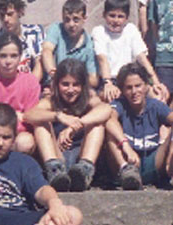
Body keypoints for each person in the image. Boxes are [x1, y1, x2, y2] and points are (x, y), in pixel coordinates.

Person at [25, 59, 110, 192]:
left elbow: (105, 109)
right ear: (57, 84)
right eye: (65, 84)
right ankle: (54, 170)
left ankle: (85, 170)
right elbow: (29, 115)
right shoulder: (51, 101)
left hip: (80, 155)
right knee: (41, 123)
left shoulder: (89, 99)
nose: (70, 90)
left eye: (76, 85)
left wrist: (75, 125)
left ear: (83, 85)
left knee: (97, 124)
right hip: (58, 155)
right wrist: (59, 116)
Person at [104, 63, 173, 190]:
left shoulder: (155, 105)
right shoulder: (119, 104)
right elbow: (110, 120)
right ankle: (126, 170)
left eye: (138, 86)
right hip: (127, 160)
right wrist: (126, 146)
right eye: (129, 88)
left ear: (146, 86)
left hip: (153, 159)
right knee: (110, 130)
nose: (134, 92)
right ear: (122, 90)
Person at [91, 0, 167, 103]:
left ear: (126, 18)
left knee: (157, 96)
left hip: (131, 79)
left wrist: (155, 81)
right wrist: (107, 82)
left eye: (120, 16)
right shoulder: (99, 31)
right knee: (113, 97)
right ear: (104, 15)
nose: (116, 20)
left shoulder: (131, 30)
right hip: (110, 79)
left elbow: (141, 57)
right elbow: (102, 59)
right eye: (112, 16)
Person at [41, 0, 98, 90]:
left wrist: (71, 80)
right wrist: (53, 75)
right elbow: (47, 50)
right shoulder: (57, 29)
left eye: (76, 20)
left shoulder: (89, 44)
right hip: (53, 82)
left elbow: (94, 79)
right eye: (67, 20)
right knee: (39, 59)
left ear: (84, 19)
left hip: (75, 87)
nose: (71, 24)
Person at [0, 0, 44, 82]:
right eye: (2, 15)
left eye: (10, 14)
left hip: (31, 84)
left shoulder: (34, 32)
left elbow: (39, 63)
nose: (6, 19)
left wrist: (30, 86)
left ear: (20, 12)